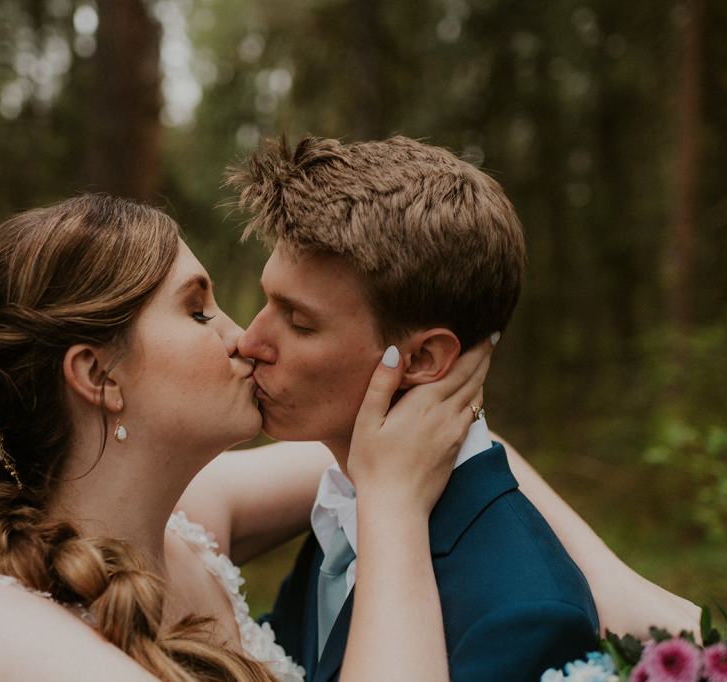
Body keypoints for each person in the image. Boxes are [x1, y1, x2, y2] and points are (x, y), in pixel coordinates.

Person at [0, 192, 486, 681]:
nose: (243, 338)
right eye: (198, 310)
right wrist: (394, 509)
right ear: (99, 374)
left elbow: (429, 443)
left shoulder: (192, 520)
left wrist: (593, 636)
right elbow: (399, 472)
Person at [215, 135, 700, 681]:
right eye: (266, 300)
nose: (249, 341)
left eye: (299, 322)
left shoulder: (523, 616)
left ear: (422, 358)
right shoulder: (346, 504)